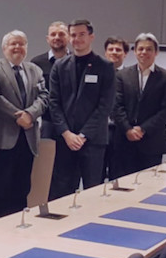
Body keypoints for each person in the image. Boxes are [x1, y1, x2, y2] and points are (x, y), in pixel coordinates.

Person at [0, 30, 48, 220]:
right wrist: (17, 116)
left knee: (22, 189)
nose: (17, 47)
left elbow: (44, 96)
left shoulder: (34, 70)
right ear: (4, 48)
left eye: (22, 44)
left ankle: (18, 227)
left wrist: (30, 114)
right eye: (13, 44)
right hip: (0, 139)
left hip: (27, 139)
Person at [47, 19, 115, 201]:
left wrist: (83, 135)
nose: (77, 39)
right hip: (66, 140)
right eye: (73, 35)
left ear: (91, 37)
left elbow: (105, 106)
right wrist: (67, 134)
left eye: (82, 34)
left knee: (92, 193)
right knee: (60, 193)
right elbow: (54, 102)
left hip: (93, 141)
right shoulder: (60, 66)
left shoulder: (105, 67)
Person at [112, 33, 166, 178]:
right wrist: (128, 129)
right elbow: (116, 105)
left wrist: (143, 129)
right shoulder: (122, 75)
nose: (144, 53)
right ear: (135, 52)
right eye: (140, 49)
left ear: (156, 52)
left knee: (149, 188)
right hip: (124, 141)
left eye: (148, 49)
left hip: (152, 143)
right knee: (122, 187)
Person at [31, 21, 69, 139]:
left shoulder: (78, 62)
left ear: (68, 37)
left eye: (61, 34)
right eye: (53, 34)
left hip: (72, 122)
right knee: (45, 156)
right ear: (47, 39)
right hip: (48, 121)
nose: (57, 37)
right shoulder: (37, 63)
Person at [102, 37, 129, 179]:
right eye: (110, 49)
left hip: (120, 134)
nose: (114, 52)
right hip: (98, 132)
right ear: (105, 53)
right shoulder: (97, 74)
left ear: (125, 54)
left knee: (118, 176)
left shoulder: (130, 78)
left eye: (118, 50)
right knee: (95, 177)